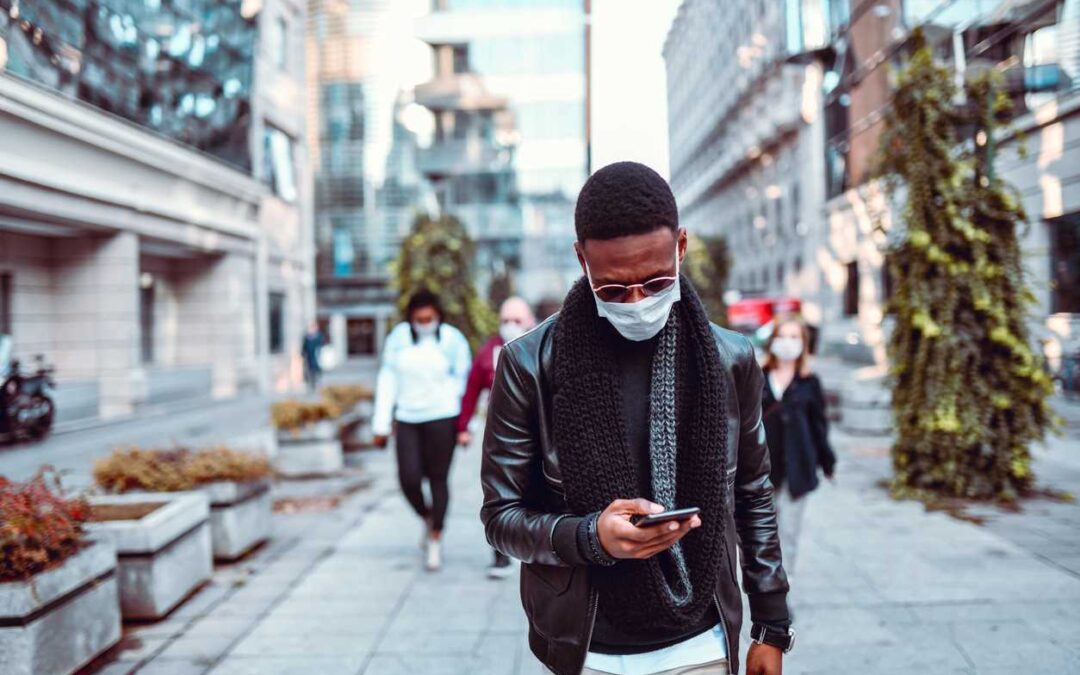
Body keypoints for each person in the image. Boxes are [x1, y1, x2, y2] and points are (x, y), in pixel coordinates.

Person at [481, 162, 792, 675]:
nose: (637, 302)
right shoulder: (528, 364)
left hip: (702, 640)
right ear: (581, 259)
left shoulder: (728, 358)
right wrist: (589, 537)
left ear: (682, 246)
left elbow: (754, 492)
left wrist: (771, 626)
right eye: (613, 289)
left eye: (655, 282)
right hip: (587, 650)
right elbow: (500, 517)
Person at [372, 289, 471, 571]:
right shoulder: (398, 338)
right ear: (411, 318)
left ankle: (435, 540)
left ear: (438, 317)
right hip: (407, 418)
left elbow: (464, 383)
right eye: (419, 319)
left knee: (438, 479)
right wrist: (380, 423)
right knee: (408, 478)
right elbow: (387, 378)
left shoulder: (452, 340)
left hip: (443, 416)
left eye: (430, 318)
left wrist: (465, 426)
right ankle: (426, 516)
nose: (425, 323)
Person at [457, 296, 538, 579]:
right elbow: (471, 391)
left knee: (534, 489)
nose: (510, 326)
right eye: (505, 321)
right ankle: (501, 555)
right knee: (500, 489)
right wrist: (463, 427)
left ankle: (532, 543)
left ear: (529, 320)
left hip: (540, 431)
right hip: (501, 432)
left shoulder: (545, 344)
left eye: (516, 320)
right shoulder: (489, 351)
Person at [761, 314, 836, 577]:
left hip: (798, 469)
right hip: (762, 471)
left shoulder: (809, 382)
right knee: (761, 534)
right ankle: (764, 586)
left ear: (803, 344)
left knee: (788, 533)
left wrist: (828, 463)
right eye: (782, 336)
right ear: (772, 341)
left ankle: (783, 591)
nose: (787, 342)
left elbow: (819, 426)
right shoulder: (757, 377)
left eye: (794, 337)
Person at [300, 321, 326, 391]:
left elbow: (321, 345)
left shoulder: (318, 336)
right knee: (309, 371)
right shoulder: (307, 337)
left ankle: (317, 384)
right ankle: (311, 384)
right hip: (309, 357)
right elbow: (304, 347)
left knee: (316, 370)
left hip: (317, 357)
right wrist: (302, 354)